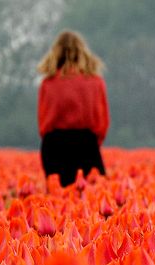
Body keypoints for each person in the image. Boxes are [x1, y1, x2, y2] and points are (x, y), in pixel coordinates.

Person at [37, 30, 109, 188]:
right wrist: (93, 142)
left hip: (54, 145)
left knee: (58, 200)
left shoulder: (47, 83)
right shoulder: (96, 82)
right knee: (91, 197)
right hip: (86, 144)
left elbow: (43, 123)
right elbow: (101, 121)